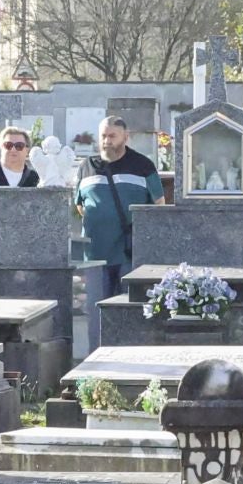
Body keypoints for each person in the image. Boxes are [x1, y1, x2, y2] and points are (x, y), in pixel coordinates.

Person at [76, 116, 164, 332]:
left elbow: (159, 206)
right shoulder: (86, 166)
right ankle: (94, 358)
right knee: (96, 312)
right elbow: (80, 206)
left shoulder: (143, 165)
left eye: (112, 136)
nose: (107, 141)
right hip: (95, 255)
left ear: (126, 137)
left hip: (130, 254)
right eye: (103, 136)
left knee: (131, 312)